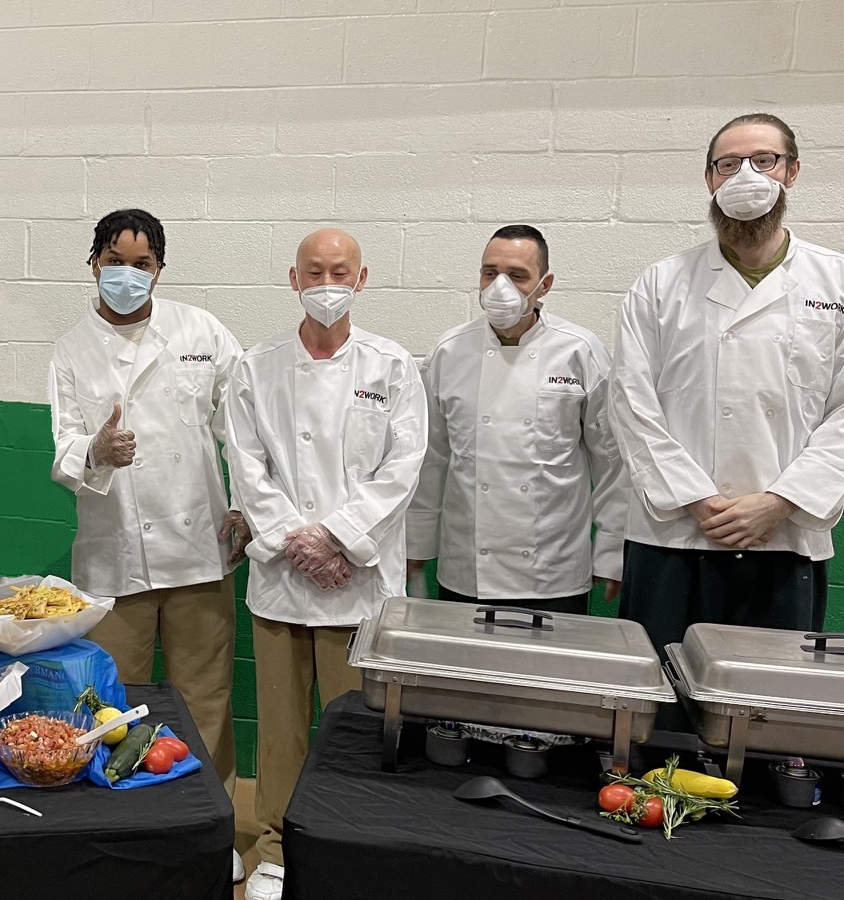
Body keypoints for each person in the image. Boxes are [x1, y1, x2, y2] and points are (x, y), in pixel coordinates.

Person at [610, 113, 844, 659]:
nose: (746, 175)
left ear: (791, 172)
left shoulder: (842, 282)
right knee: (661, 701)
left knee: (763, 703)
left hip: (783, 537)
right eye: (728, 163)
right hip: (673, 534)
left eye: (763, 161)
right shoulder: (660, 283)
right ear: (710, 179)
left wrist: (781, 501)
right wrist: (694, 498)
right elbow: (630, 399)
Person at [47, 208, 247, 879]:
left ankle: (211, 830)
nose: (126, 274)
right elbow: (63, 451)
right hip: (114, 560)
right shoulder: (71, 348)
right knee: (114, 701)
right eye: (113, 259)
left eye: (141, 263)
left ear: (160, 268)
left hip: (198, 546)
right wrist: (96, 451)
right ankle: (120, 831)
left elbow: (242, 430)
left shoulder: (202, 332)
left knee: (204, 701)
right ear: (93, 263)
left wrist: (246, 505)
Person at [227, 228, 425, 900]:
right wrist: (298, 540)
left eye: (340, 271)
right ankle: (276, 848)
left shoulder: (393, 366)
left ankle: (343, 841)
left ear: (362, 279)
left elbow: (403, 468)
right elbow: (246, 466)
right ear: (293, 279)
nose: (328, 282)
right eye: (315, 271)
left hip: (358, 580)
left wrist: (337, 537)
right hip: (284, 581)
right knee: (279, 728)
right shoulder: (256, 367)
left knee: (352, 724)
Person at [408, 225, 627, 615]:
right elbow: (431, 459)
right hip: (467, 568)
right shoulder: (449, 351)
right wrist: (416, 548)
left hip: (553, 569)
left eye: (517, 275)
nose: (500, 287)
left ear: (545, 285)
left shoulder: (578, 350)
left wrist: (611, 551)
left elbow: (610, 459)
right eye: (490, 273)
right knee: (463, 677)